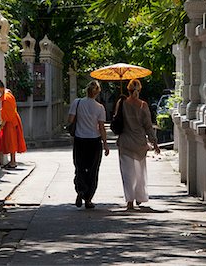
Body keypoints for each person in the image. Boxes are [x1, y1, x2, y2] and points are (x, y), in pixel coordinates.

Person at [116, 79, 160, 210]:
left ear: (128, 90)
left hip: (125, 142)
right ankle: (139, 197)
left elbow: (116, 119)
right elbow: (148, 126)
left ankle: (129, 201)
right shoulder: (143, 105)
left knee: (127, 173)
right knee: (140, 172)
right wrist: (154, 143)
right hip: (140, 143)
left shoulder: (122, 103)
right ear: (139, 90)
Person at [68, 80, 110, 209]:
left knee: (79, 167)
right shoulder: (100, 107)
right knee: (92, 170)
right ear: (97, 92)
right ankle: (88, 199)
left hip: (80, 140)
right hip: (94, 141)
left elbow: (70, 120)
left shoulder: (77, 102)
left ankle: (80, 190)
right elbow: (101, 127)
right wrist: (105, 144)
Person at [0, 80, 27, 168]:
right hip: (12, 120)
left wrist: (2, 124)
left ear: (0, 88)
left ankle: (13, 162)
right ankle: (12, 161)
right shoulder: (7, 94)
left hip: (10, 122)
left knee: (11, 142)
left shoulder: (6, 97)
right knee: (12, 141)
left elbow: (8, 112)